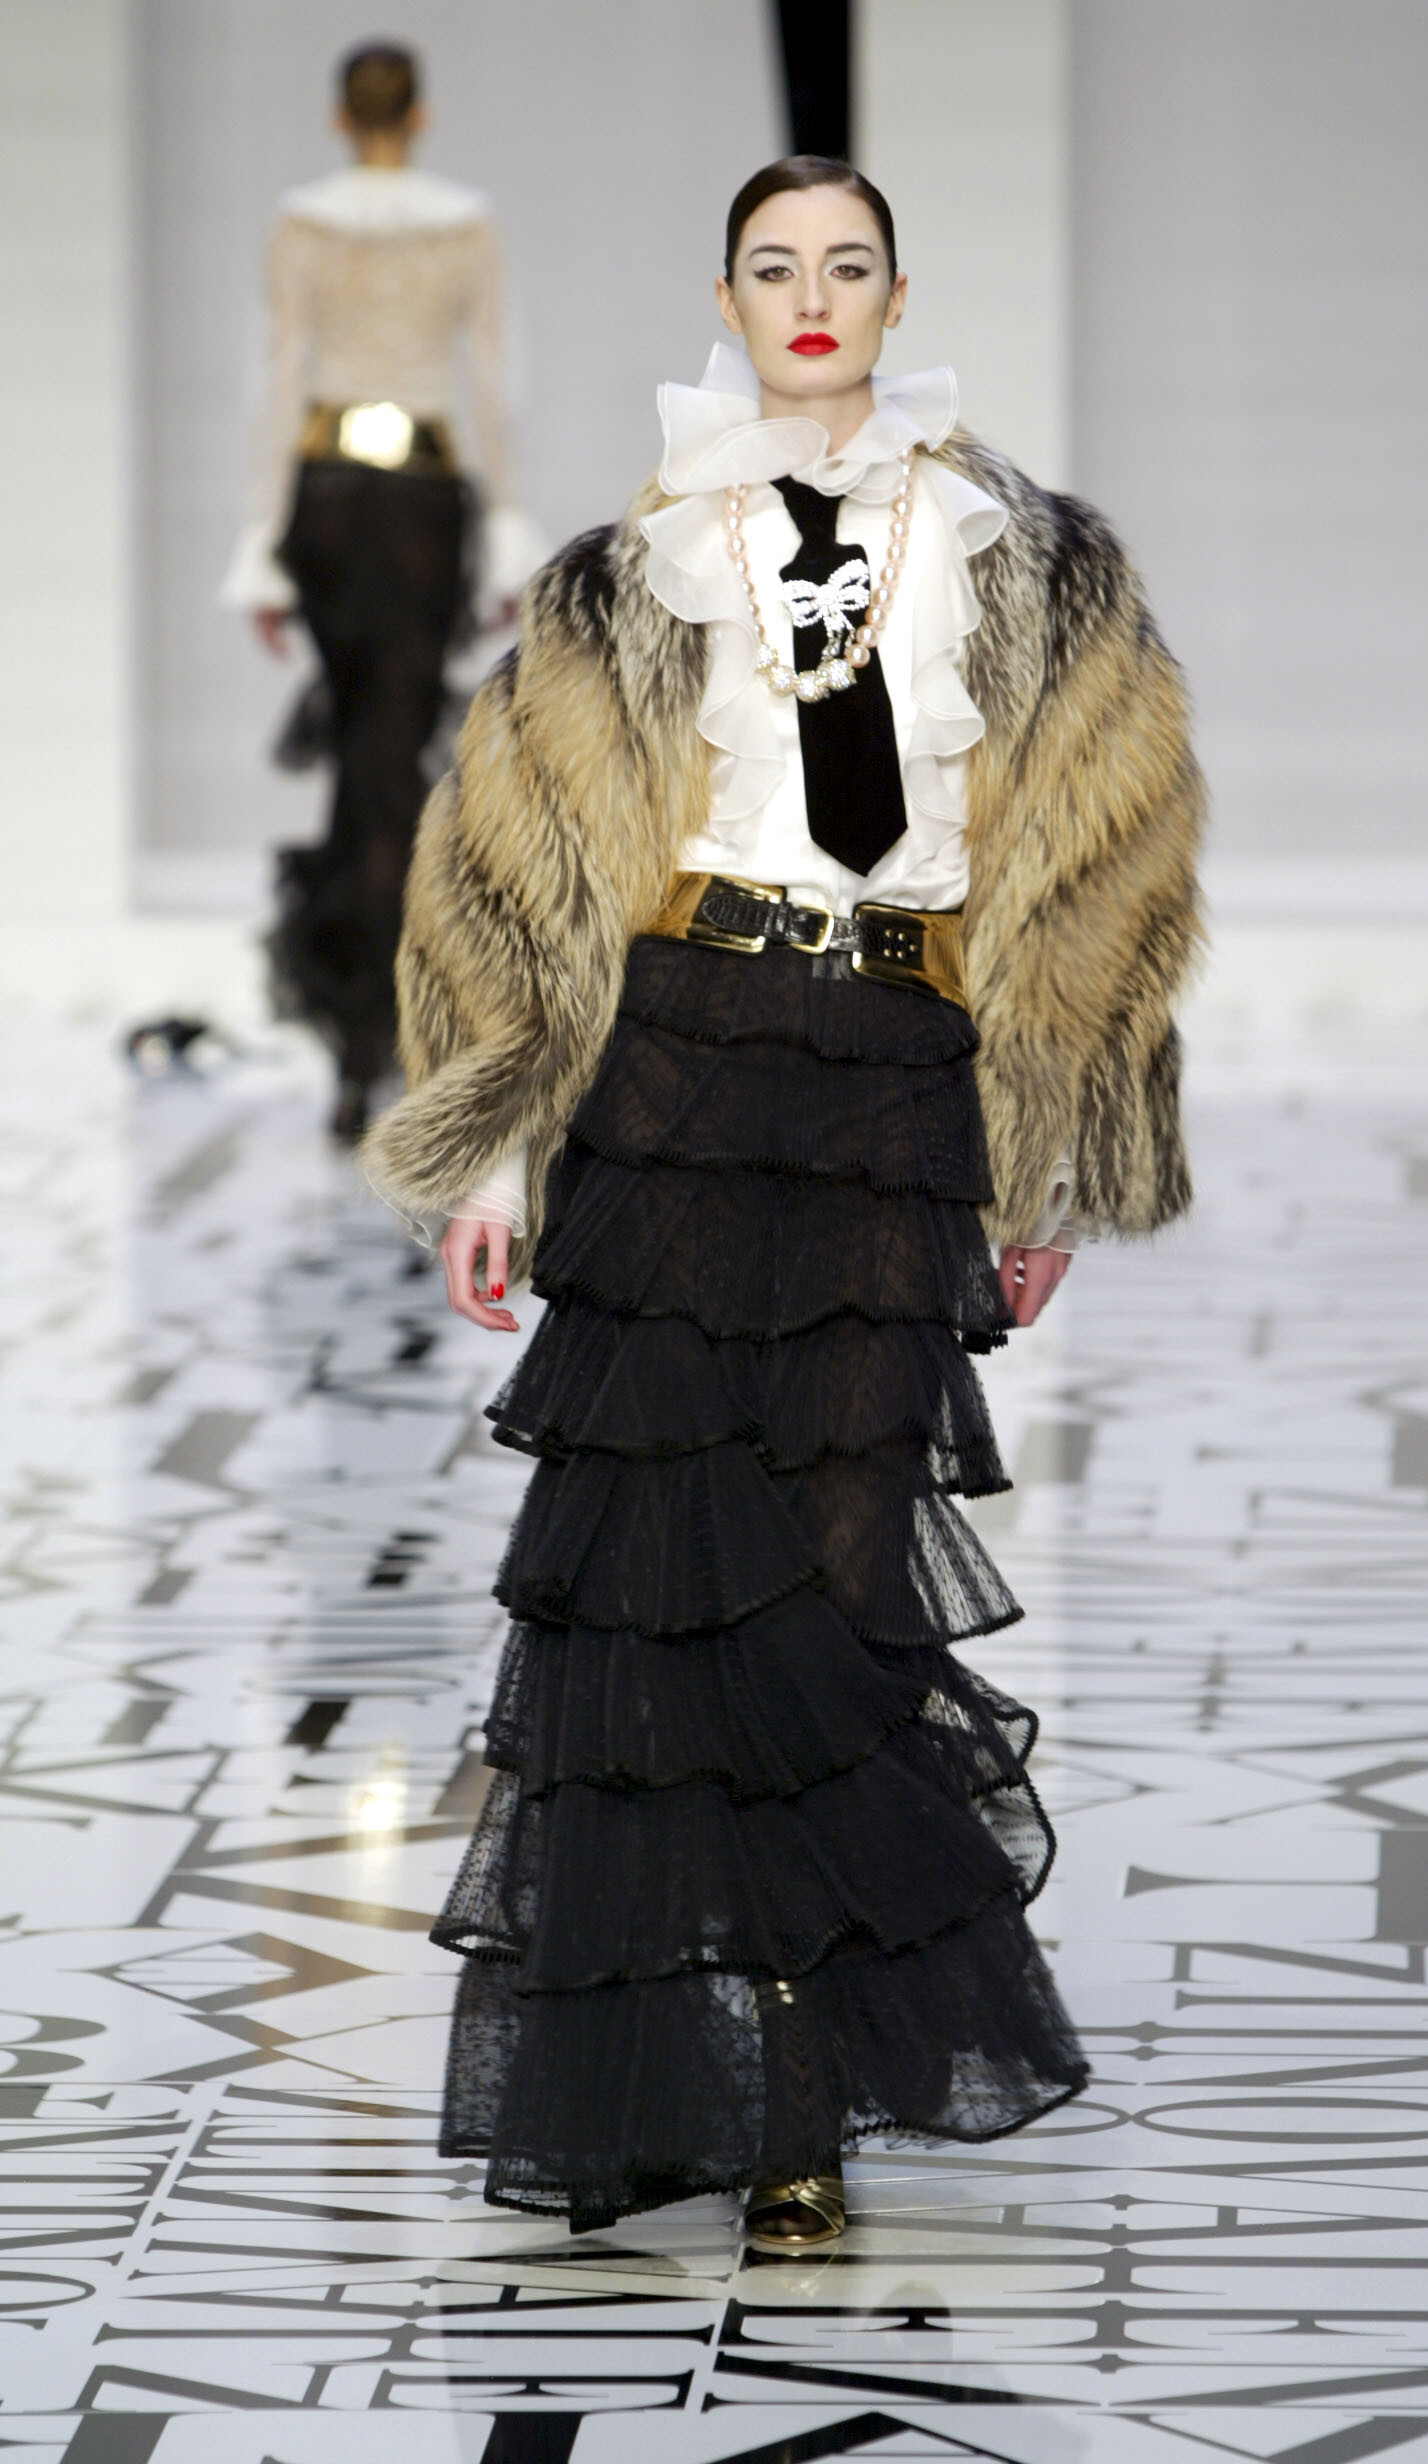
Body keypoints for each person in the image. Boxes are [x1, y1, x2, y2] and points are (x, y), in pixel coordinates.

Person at [362, 156, 1203, 2250]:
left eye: (845, 264)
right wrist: (488, 1149)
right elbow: (507, 870)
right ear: (726, 297)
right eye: (772, 265)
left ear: (896, 292)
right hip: (674, 1066)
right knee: (657, 1577)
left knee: (834, 1585)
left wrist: (1058, 1152)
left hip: (894, 1075)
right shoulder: (621, 578)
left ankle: (805, 2086)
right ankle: (692, 2078)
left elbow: (1113, 866)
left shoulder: (1036, 567)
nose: (810, 294)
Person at [222, 40, 545, 1142]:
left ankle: (360, 1049)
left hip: (324, 499)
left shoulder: (300, 223)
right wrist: (507, 528)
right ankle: (399, 1035)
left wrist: (263, 546)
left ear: (338, 118)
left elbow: (278, 378)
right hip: (417, 506)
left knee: (364, 759)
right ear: (419, 115)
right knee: (389, 757)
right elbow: (495, 379)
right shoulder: (465, 224)